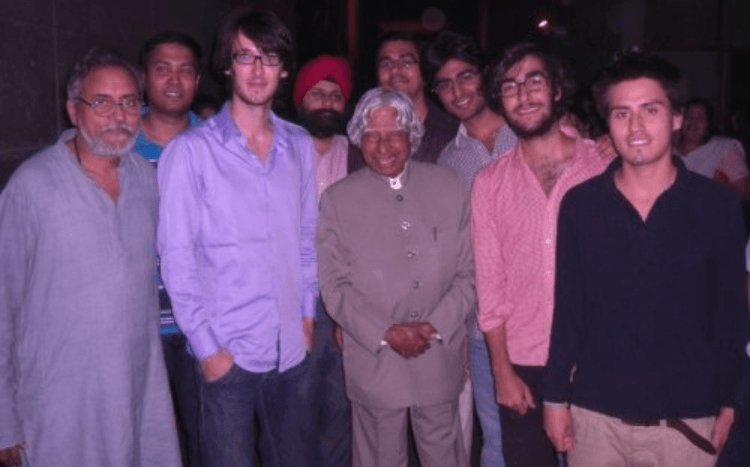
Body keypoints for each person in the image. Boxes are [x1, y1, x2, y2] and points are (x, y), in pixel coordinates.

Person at [543, 50, 746, 467]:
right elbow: (568, 312)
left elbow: (730, 315)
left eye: (649, 110)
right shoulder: (581, 206)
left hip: (688, 419)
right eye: (621, 114)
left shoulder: (717, 208)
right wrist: (554, 397)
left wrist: (732, 400)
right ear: (608, 123)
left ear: (676, 118)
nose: (635, 127)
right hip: (595, 418)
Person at [0, 47, 181, 467]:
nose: (117, 116)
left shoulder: (145, 180)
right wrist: (4, 421)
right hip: (61, 401)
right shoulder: (32, 187)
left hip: (137, 391)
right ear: (73, 110)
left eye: (129, 102)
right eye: (101, 102)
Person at [157, 9, 317, 467]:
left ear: (284, 68)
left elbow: (306, 240)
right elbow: (177, 258)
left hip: (292, 351)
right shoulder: (190, 152)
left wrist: (306, 318)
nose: (258, 69)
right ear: (227, 65)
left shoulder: (299, 145)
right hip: (227, 357)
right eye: (245, 56)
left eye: (269, 57)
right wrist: (209, 351)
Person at [317, 87, 474, 467]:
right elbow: (334, 285)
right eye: (371, 134)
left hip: (438, 353)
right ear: (358, 137)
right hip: (374, 358)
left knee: (445, 458)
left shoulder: (450, 185)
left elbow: (469, 272)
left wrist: (434, 326)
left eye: (394, 133)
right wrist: (387, 331)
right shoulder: (338, 199)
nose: (383, 145)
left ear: (413, 137)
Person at [471, 42, 608, 467]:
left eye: (534, 80)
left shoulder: (603, 166)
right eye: (509, 86)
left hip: (596, 359)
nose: (523, 94)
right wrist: (501, 371)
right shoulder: (489, 182)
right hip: (524, 363)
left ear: (557, 89)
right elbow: (490, 285)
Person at [422, 30, 518, 467]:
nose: (458, 90)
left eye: (465, 76)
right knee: (497, 441)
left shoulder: (531, 133)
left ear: (485, 77)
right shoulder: (448, 163)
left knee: (562, 437)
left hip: (548, 321)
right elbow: (452, 253)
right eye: (445, 83)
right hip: (481, 330)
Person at [133, 30, 204, 467]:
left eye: (185, 70)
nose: (174, 80)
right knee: (139, 444)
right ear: (143, 78)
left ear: (198, 80)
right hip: (135, 323)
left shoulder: (219, 142)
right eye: (162, 68)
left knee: (207, 439)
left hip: (202, 324)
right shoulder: (111, 142)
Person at [293, 53, 353, 467]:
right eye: (318, 94)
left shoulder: (359, 152)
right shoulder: (278, 150)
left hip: (346, 300)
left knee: (341, 407)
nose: (327, 102)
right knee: (297, 409)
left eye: (335, 95)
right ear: (300, 99)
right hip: (295, 300)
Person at [348, 31, 459, 172]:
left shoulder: (453, 133)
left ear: (425, 73)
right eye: (386, 64)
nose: (394, 69)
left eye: (406, 62)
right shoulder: (362, 133)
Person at [675, 97, 750, 197]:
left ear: (708, 124)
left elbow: (746, 193)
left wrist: (721, 186)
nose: (693, 122)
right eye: (688, 117)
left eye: (700, 118)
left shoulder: (724, 148)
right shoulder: (667, 152)